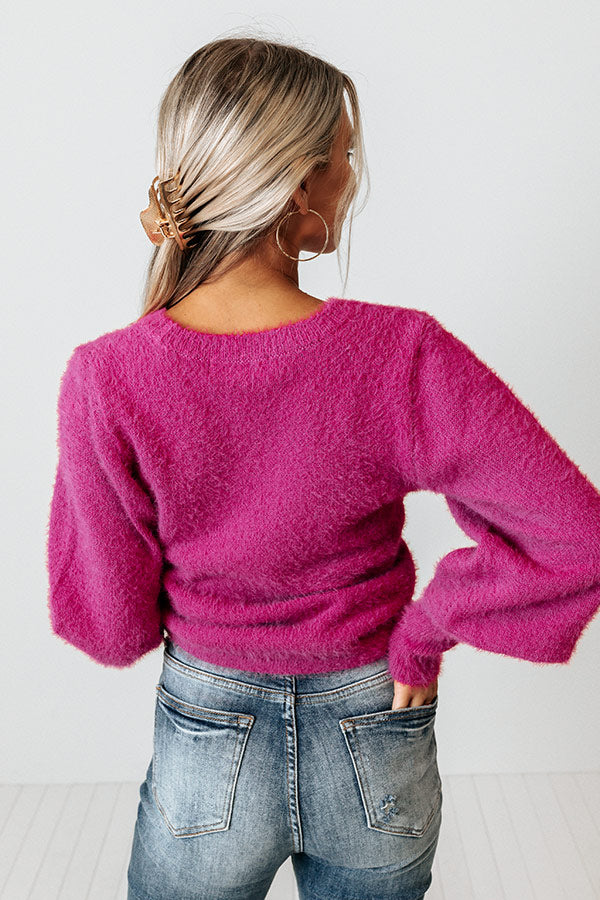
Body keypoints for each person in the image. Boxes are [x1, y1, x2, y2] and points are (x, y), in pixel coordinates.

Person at [45, 35, 600, 900]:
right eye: (344, 157)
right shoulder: (400, 351)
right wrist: (428, 628)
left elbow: (109, 628)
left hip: (209, 739)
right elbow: (578, 535)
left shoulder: (106, 376)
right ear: (301, 188)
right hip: (376, 720)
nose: (352, 177)